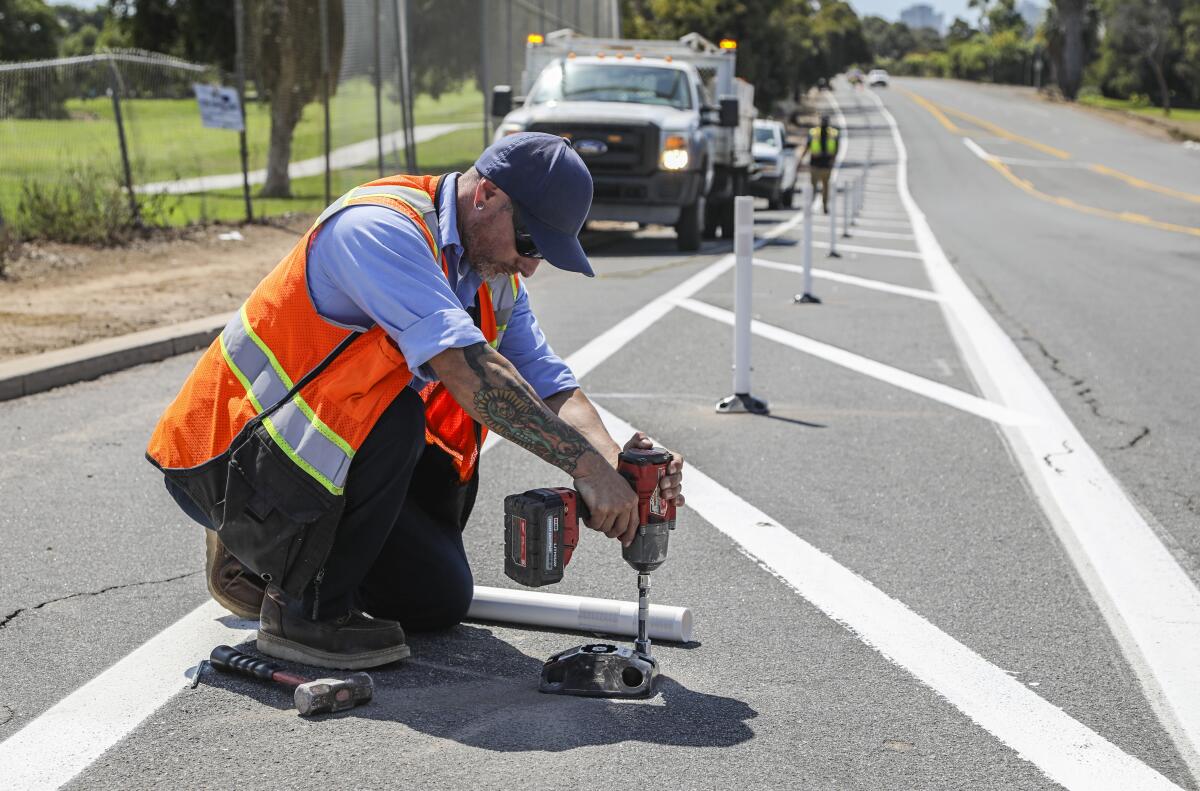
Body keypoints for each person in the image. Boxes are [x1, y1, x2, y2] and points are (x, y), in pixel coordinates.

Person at [146, 132, 685, 670]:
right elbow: (469, 370)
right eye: (529, 241)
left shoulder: (492, 280)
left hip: (312, 465)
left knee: (436, 600)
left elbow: (551, 385)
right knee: (396, 414)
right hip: (230, 462)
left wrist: (615, 465)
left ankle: (273, 563)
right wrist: (586, 467)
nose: (530, 266)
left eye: (543, 250)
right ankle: (299, 611)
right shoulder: (379, 227)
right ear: (486, 195)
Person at [799, 114, 839, 213]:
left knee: (820, 187)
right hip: (820, 165)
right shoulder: (832, 133)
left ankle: (821, 205)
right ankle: (819, 205)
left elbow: (806, 147)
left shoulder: (814, 132)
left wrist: (801, 159)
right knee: (821, 187)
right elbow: (836, 149)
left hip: (821, 165)